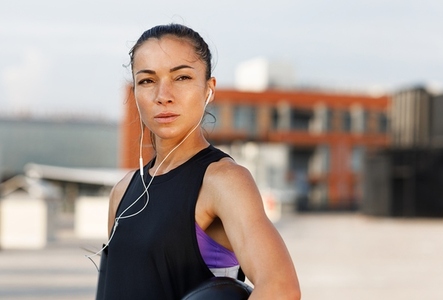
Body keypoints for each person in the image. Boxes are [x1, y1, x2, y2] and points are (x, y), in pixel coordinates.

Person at [96, 23, 301, 300]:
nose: (163, 96)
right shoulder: (122, 192)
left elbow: (280, 288)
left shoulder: (223, 181)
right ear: (135, 93)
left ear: (209, 89)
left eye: (181, 78)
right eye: (147, 80)